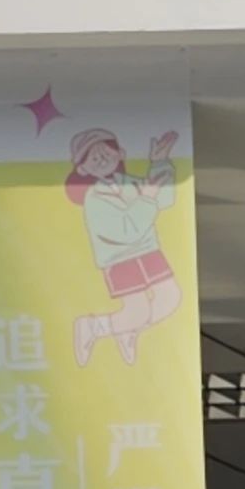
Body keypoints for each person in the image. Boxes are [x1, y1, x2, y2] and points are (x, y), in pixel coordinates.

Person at [65, 126, 185, 370]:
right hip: (120, 261)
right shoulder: (95, 199)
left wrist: (159, 163)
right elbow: (127, 231)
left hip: (150, 252)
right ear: (83, 168)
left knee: (171, 299)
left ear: (120, 153)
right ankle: (93, 327)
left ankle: (127, 330)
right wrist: (147, 198)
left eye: (105, 152)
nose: (101, 159)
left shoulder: (131, 183)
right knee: (137, 312)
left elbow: (165, 199)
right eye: (93, 157)